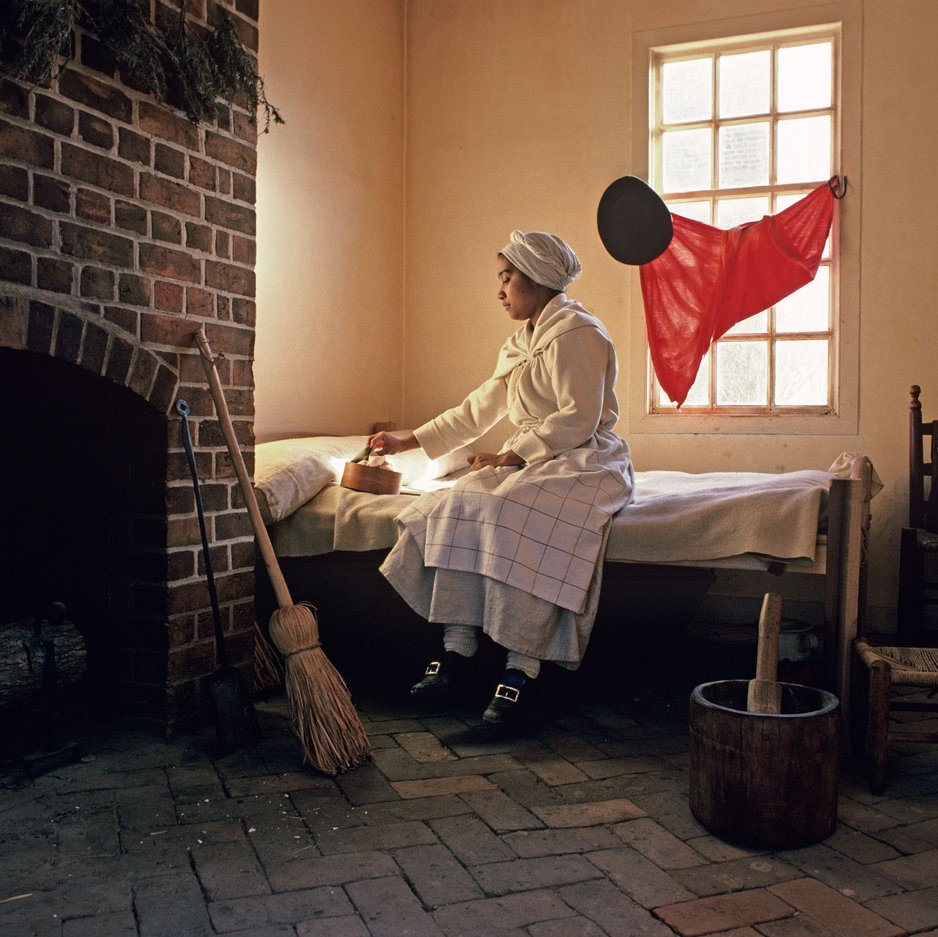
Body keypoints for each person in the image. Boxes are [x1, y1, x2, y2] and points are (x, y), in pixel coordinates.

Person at [369, 230, 634, 726]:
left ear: (536, 280)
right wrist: (411, 441)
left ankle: (521, 667)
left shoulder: (580, 333)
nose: (500, 290)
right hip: (531, 456)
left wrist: (513, 455)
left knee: (513, 510)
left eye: (506, 278)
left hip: (583, 457)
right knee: (461, 498)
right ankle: (457, 646)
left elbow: (579, 418)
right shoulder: (519, 343)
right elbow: (477, 411)